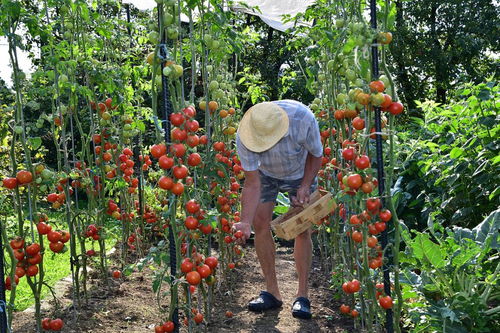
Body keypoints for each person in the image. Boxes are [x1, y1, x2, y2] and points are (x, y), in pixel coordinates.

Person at [233, 100, 323, 319]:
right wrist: (244, 221)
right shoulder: (245, 135)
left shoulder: (303, 120)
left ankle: (302, 295)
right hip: (264, 175)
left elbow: (316, 154)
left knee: (302, 229)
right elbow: (252, 183)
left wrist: (304, 185)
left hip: (300, 172)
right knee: (259, 223)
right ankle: (272, 292)